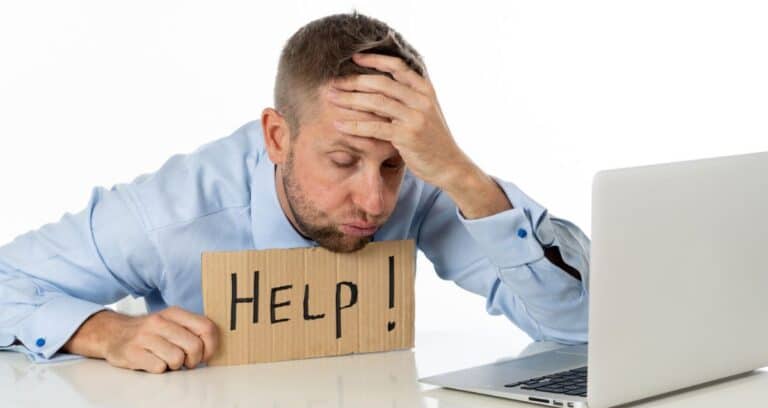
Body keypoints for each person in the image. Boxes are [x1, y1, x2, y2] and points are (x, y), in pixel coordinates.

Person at [0, 12, 590, 373]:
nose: (376, 202)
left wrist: (462, 176)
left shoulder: (424, 184)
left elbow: (583, 329)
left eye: (393, 165)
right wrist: (103, 331)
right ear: (278, 137)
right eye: (342, 160)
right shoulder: (170, 213)